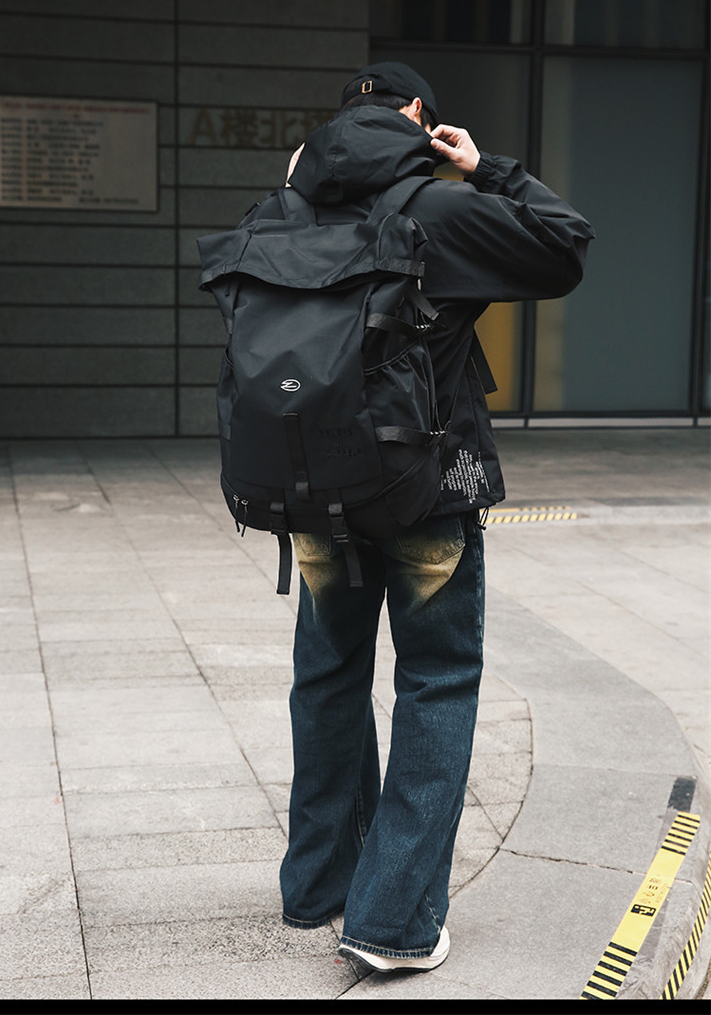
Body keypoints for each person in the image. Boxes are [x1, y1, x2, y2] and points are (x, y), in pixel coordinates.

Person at [260, 62, 594, 973]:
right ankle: (395, 922)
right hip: (425, 488)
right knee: (436, 681)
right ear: (417, 116)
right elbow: (566, 244)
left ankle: (320, 884)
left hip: (317, 489)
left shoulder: (289, 209)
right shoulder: (440, 208)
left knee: (327, 674)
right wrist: (486, 166)